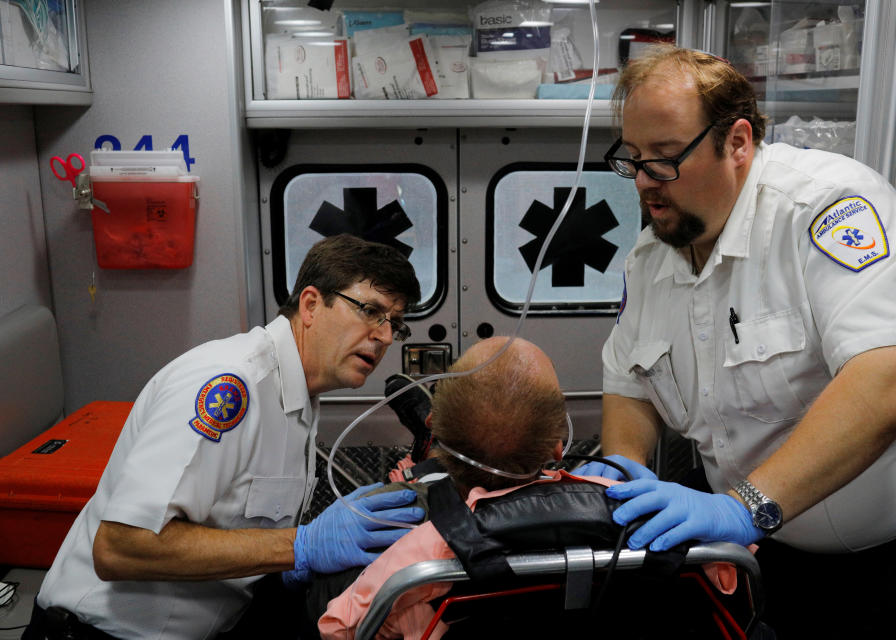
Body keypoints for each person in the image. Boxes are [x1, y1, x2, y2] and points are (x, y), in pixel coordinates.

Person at [579, 44, 896, 636]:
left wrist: (743, 507)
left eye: (665, 157)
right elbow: (629, 377)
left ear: (736, 143)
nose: (645, 183)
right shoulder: (655, 255)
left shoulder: (827, 209)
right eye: (632, 159)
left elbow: (895, 374)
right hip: (770, 551)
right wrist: (621, 467)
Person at [27, 234, 426, 639]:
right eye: (371, 311)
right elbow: (120, 546)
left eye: (395, 323)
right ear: (310, 305)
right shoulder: (233, 386)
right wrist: (300, 546)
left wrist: (291, 564)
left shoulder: (301, 396)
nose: (386, 336)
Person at [317, 336, 607, 639]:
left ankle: (428, 453)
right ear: (558, 447)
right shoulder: (616, 503)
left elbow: (335, 626)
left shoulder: (413, 558)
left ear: (433, 421)